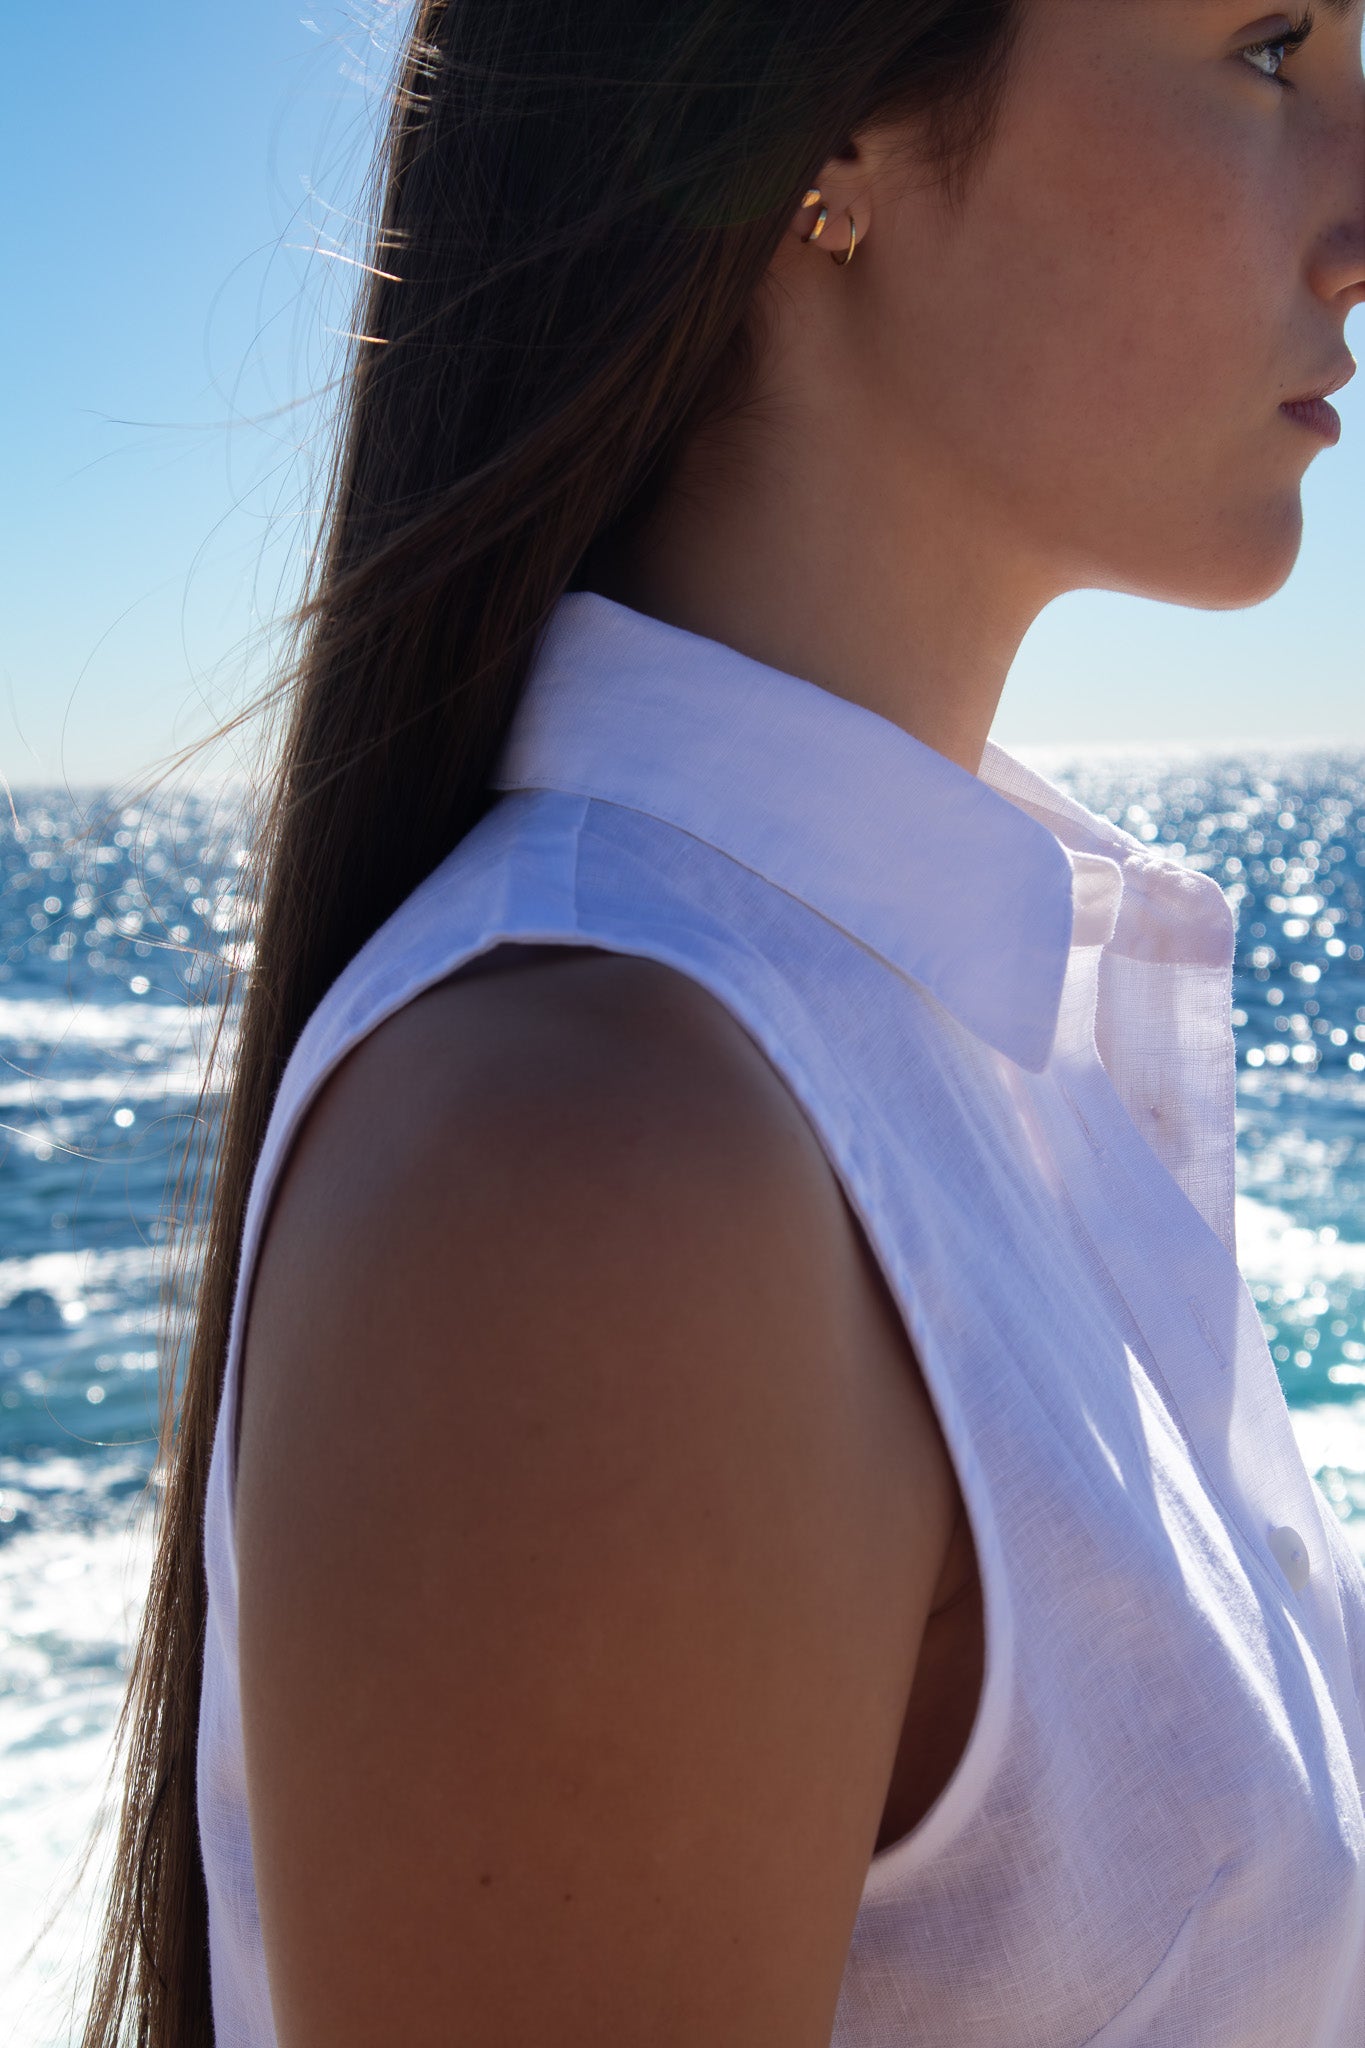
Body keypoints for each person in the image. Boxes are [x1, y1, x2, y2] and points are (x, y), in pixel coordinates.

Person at [84, 2, 1365, 2043]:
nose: (1357, 205)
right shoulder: (597, 1171)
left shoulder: (947, 1028)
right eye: (1267, 45)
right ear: (822, 124)